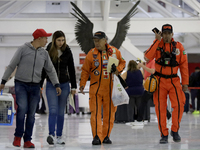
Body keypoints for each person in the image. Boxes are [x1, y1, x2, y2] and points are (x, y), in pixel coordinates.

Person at [0, 29, 61, 148]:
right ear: (38, 38)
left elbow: (50, 70)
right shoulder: (23, 49)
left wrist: (56, 84)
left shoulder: (44, 53)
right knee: (22, 109)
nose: (47, 40)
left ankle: (27, 140)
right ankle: (18, 137)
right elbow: (12, 65)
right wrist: (3, 81)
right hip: (21, 84)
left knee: (32, 114)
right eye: (45, 38)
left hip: (35, 86)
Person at [79, 31, 126, 145]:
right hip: (95, 89)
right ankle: (96, 136)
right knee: (95, 114)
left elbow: (123, 63)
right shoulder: (91, 54)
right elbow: (85, 70)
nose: (96, 43)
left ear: (105, 40)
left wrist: (118, 70)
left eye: (98, 40)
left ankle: (106, 136)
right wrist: (82, 84)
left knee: (109, 114)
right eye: (95, 41)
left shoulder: (114, 51)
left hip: (110, 89)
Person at [145, 24, 189, 144]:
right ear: (161, 34)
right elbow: (147, 56)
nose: (166, 36)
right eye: (164, 33)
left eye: (168, 33)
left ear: (172, 34)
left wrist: (185, 83)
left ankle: (175, 130)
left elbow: (184, 65)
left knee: (179, 105)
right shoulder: (157, 44)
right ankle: (164, 134)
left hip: (174, 81)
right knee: (160, 108)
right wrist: (156, 40)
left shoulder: (179, 46)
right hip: (159, 81)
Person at [41, 30, 77, 145]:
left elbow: (71, 69)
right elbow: (43, 69)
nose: (61, 42)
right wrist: (40, 84)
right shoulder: (48, 51)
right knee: (53, 110)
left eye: (63, 40)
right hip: (51, 84)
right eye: (59, 40)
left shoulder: (67, 51)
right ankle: (51, 134)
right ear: (54, 40)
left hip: (64, 84)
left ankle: (59, 136)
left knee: (61, 112)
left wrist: (74, 86)